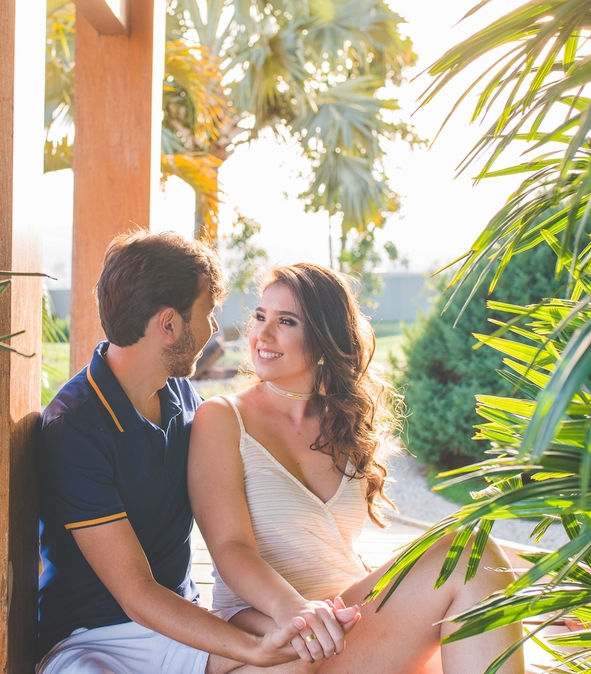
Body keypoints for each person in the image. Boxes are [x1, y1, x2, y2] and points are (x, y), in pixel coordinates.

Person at [37, 232, 359, 674]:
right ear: (169, 324)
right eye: (208, 314)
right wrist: (247, 650)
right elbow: (137, 594)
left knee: (299, 659)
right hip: (92, 638)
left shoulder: (182, 398)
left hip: (180, 627)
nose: (213, 330)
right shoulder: (73, 425)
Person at [190, 263, 524, 673]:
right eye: (260, 316)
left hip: (349, 618)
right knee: (467, 552)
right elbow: (230, 550)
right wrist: (300, 612)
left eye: (286, 321)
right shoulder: (221, 419)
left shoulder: (341, 422)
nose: (263, 334)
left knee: (475, 554)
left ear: (323, 337)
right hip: (271, 632)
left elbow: (329, 544)